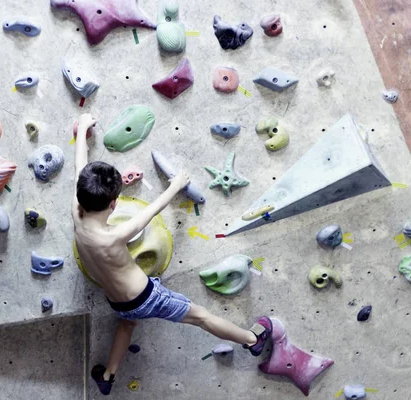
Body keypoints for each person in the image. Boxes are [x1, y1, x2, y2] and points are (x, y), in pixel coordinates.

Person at [72, 114, 272, 396]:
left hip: (116, 301)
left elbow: (79, 166)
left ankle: (108, 376)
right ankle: (253, 339)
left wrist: (81, 130)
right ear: (114, 203)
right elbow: (148, 213)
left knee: (127, 323)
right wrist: (175, 186)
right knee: (200, 316)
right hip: (147, 298)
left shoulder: (76, 212)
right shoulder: (114, 236)